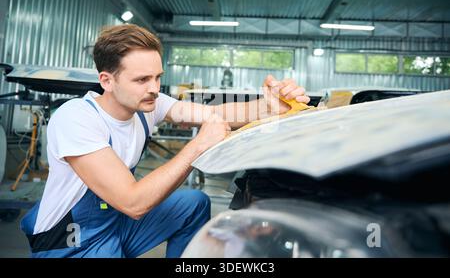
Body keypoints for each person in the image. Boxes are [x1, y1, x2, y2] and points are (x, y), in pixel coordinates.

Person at [20, 24, 310, 258]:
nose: (154, 89)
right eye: (142, 80)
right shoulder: (76, 118)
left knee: (193, 203)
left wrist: (271, 105)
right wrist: (197, 146)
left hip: (115, 223)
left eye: (158, 78)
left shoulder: (148, 104)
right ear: (107, 80)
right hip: (72, 240)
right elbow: (133, 203)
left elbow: (216, 113)